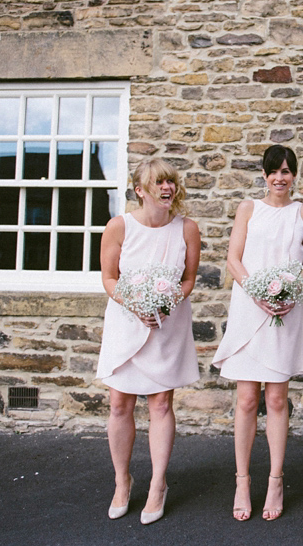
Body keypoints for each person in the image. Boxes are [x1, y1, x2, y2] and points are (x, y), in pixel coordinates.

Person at [212, 144, 303, 522]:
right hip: (249, 306)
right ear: (264, 174)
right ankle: (242, 480)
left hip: (286, 311)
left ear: (294, 175)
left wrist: (289, 295)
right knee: (245, 400)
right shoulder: (248, 208)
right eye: (274, 171)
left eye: (287, 171)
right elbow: (233, 258)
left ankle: (275, 479)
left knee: (276, 399)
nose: (280, 178)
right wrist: (259, 292)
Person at [97, 158, 201, 525]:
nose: (166, 187)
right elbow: (109, 278)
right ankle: (122, 481)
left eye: (170, 181)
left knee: (160, 403)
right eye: (157, 182)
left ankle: (158, 484)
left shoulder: (187, 228)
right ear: (140, 190)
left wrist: (165, 302)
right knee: (120, 404)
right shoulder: (119, 226)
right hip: (127, 321)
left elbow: (188, 280)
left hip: (166, 324)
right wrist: (136, 304)